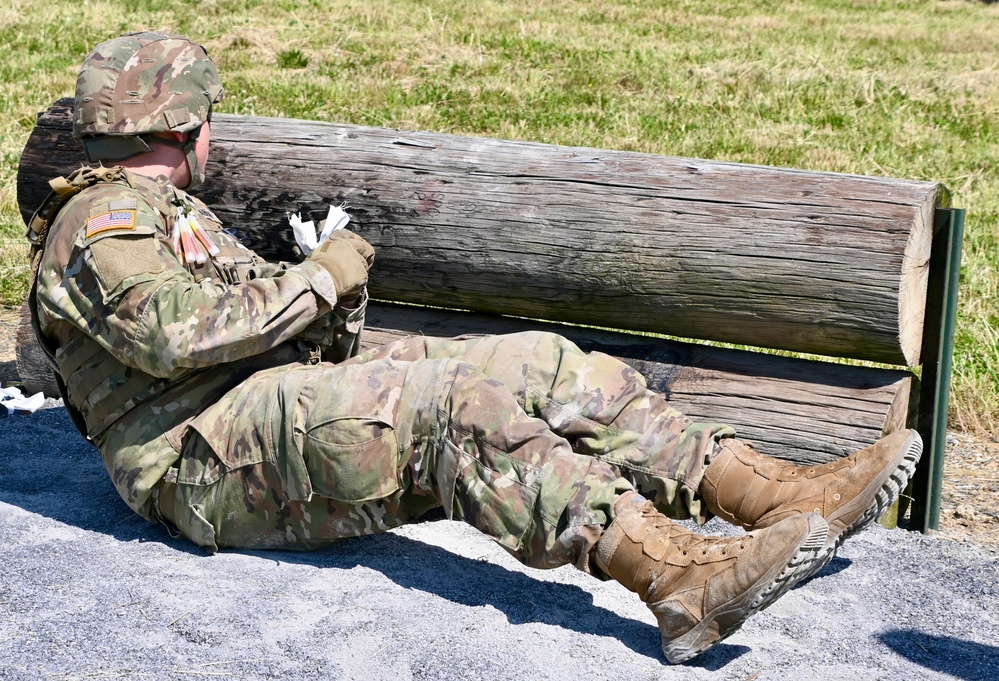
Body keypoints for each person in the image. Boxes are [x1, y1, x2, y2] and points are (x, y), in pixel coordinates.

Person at [27, 32, 922, 665]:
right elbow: (182, 337)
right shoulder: (100, 222)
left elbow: (259, 328)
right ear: (180, 123)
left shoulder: (163, 216)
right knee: (449, 408)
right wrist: (319, 279)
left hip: (249, 416)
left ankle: (763, 492)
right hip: (192, 455)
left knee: (534, 361)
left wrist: (329, 291)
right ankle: (672, 575)